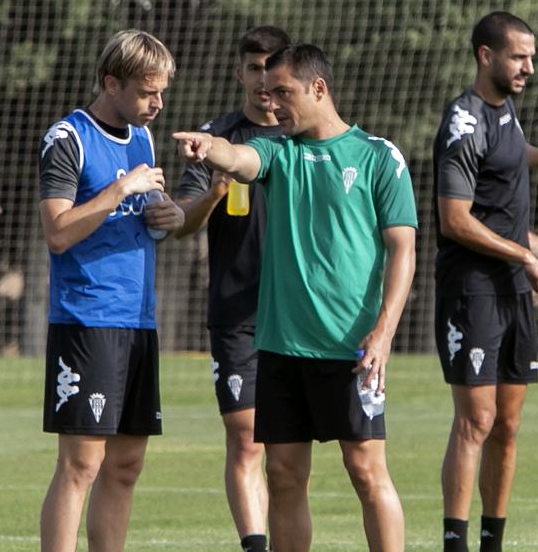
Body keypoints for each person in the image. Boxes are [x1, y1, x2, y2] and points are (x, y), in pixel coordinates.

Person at [172, 43, 415, 552]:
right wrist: (208, 146)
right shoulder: (280, 154)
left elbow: (403, 252)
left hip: (353, 349)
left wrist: (384, 333)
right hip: (281, 348)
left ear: (318, 88)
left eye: (284, 93)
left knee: (367, 472)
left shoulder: (376, 156)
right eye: (267, 92)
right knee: (282, 475)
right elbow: (239, 157)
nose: (273, 103)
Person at [36, 29, 186, 552]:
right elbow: (58, 233)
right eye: (148, 93)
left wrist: (166, 217)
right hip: (87, 320)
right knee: (81, 465)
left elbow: (141, 221)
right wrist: (119, 190)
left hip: (138, 321)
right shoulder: (67, 139)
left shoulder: (143, 139)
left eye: (161, 93)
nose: (157, 105)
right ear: (111, 82)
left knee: (125, 465)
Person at [432, 11, 538, 552]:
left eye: (531, 56)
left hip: (511, 291)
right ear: (487, 57)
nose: (529, 67)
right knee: (477, 420)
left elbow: (511, 158)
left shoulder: (506, 113)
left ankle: (492, 543)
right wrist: (528, 257)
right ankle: (455, 543)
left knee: (507, 424)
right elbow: (454, 220)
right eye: (518, 57)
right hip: (474, 290)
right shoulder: (463, 121)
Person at [172, 25, 290, 552]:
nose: (263, 79)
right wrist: (216, 191)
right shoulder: (215, 137)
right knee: (246, 440)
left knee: (290, 451)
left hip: (300, 315)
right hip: (237, 312)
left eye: (271, 67)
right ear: (238, 73)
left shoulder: (309, 135)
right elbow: (180, 223)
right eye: (253, 68)